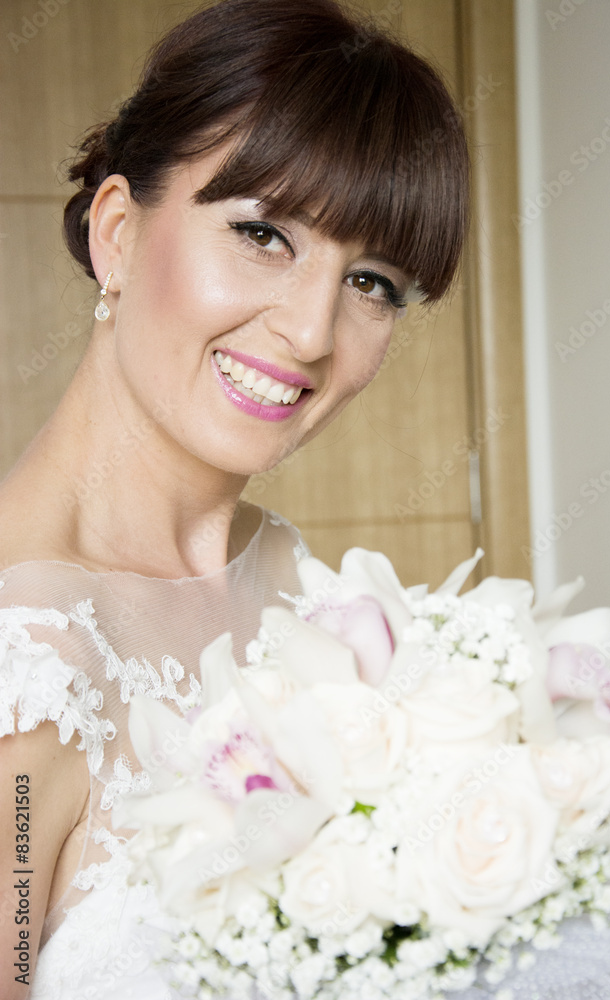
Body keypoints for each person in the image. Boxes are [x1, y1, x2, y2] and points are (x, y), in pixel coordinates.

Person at [0, 0, 468, 995]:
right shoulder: (23, 666)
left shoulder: (305, 584)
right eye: (262, 232)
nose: (308, 333)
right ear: (118, 234)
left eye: (373, 281)